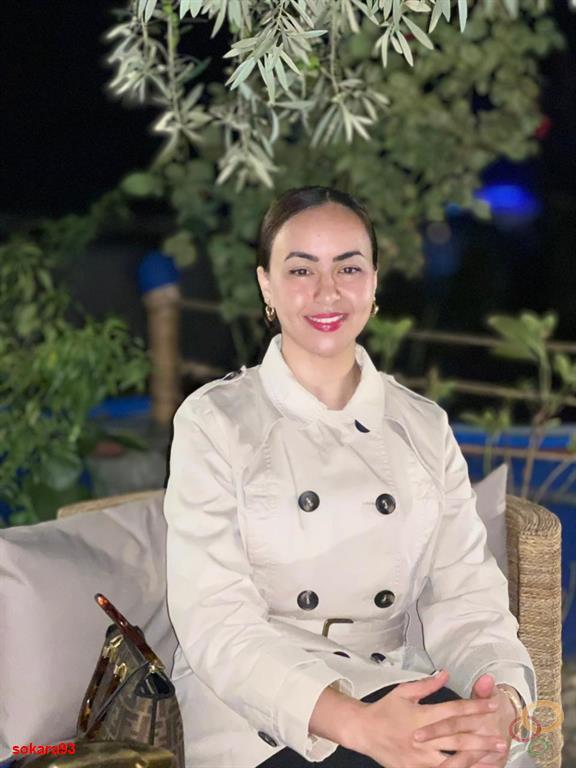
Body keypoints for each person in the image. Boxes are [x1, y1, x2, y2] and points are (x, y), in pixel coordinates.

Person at [163, 186, 537, 768]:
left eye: (349, 267)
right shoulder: (215, 421)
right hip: (259, 711)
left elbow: (465, 596)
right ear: (266, 285)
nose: (327, 291)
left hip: (396, 685)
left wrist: (500, 698)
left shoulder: (422, 425)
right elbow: (216, 622)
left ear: (374, 282)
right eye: (300, 269)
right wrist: (359, 725)